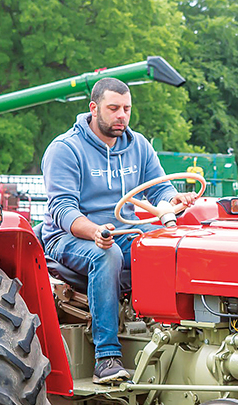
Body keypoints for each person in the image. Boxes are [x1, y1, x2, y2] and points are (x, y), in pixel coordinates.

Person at [41, 77, 196, 384]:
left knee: (170, 247)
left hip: (123, 231)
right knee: (107, 254)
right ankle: (107, 357)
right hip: (69, 237)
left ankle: (170, 336)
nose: (121, 115)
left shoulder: (138, 145)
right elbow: (62, 209)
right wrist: (94, 230)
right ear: (94, 108)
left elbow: (159, 189)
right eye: (113, 108)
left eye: (126, 109)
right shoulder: (66, 149)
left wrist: (172, 199)